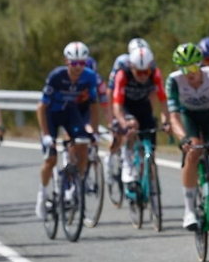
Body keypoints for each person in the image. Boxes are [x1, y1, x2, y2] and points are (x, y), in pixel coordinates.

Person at [166, 43, 209, 231]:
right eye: (185, 68)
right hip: (189, 116)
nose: (190, 72)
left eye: (194, 67)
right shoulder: (173, 80)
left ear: (201, 64)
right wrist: (182, 138)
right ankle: (189, 210)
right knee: (193, 150)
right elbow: (174, 116)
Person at [36, 41, 104, 219]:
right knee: (50, 159)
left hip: (69, 112)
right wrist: (46, 136)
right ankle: (42, 194)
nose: (78, 68)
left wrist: (94, 132)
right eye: (74, 63)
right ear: (67, 61)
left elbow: (93, 105)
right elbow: (41, 107)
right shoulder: (56, 76)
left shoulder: (89, 77)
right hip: (51, 113)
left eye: (82, 63)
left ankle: (77, 183)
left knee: (82, 143)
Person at [111, 42, 168, 190]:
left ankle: (151, 179)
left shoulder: (156, 73)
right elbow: (116, 105)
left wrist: (166, 120)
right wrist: (123, 122)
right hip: (126, 105)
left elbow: (163, 100)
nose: (143, 76)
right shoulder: (122, 74)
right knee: (132, 126)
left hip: (143, 105)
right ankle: (127, 165)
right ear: (132, 68)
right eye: (139, 72)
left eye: (146, 72)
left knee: (150, 140)